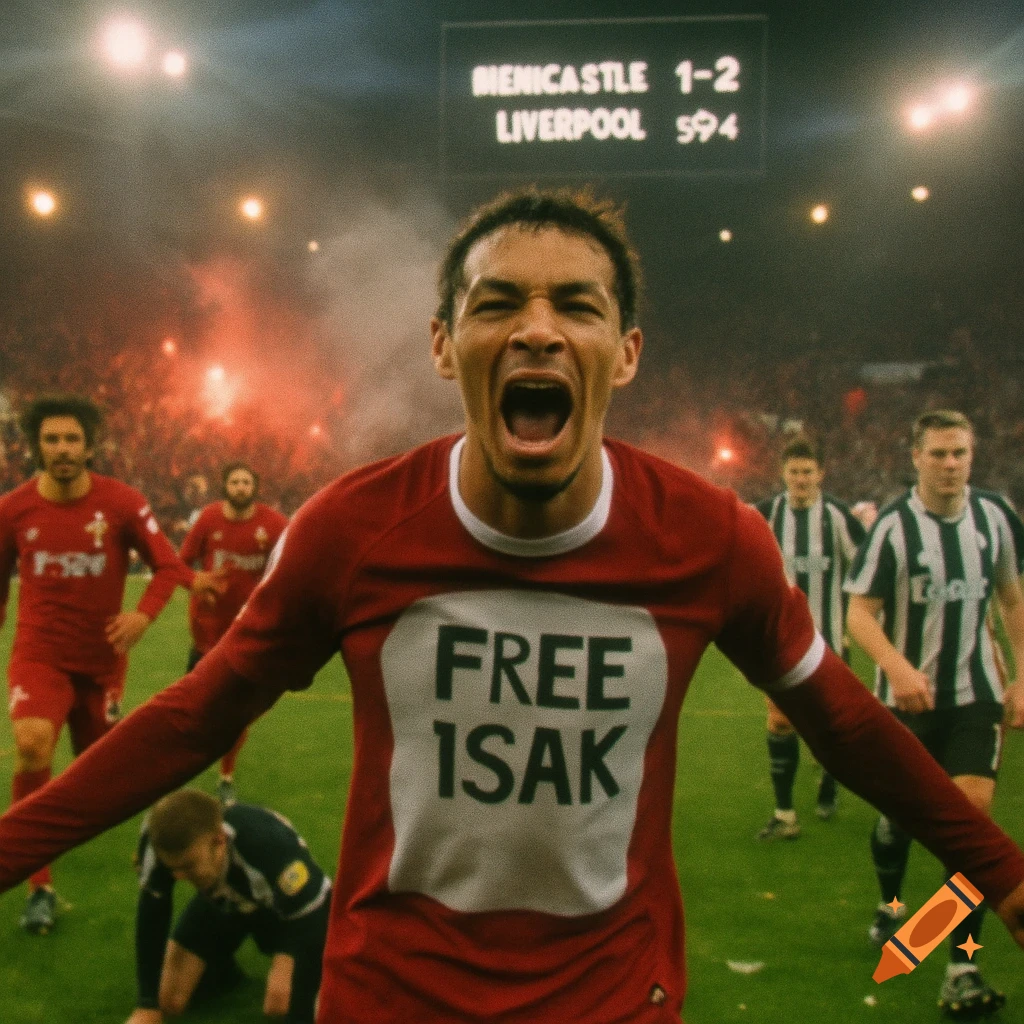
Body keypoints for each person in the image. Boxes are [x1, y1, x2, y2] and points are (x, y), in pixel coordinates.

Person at [1, 192, 1024, 1024]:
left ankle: (935, 939)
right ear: (446, 346)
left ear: (623, 352)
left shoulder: (709, 539)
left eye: (575, 305)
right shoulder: (349, 531)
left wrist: (997, 868)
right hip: (388, 999)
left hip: (612, 1000)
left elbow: (842, 718)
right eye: (498, 304)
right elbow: (192, 716)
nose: (537, 328)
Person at [0, 395, 224, 935]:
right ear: (35, 446)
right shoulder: (12, 510)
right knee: (32, 744)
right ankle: (39, 887)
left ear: (90, 445)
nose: (62, 449)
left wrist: (143, 617)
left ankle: (159, 839)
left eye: (72, 439)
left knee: (105, 778)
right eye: (51, 439)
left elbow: (168, 567)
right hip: (39, 657)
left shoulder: (121, 503)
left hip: (102, 665)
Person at [846, 409, 1024, 1019]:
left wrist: (1023, 674)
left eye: (960, 453)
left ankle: (960, 964)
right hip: (907, 705)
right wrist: (895, 665)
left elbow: (1011, 597)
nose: (951, 465)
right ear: (915, 457)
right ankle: (891, 908)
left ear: (972, 456)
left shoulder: (995, 517)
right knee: (900, 824)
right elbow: (859, 614)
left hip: (975, 698)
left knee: (971, 826)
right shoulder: (893, 528)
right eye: (939, 454)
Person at [127, 789, 330, 1024]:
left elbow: (312, 919)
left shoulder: (266, 846)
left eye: (188, 866)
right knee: (169, 1000)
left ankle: (330, 981)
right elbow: (153, 913)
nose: (179, 876)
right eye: (172, 868)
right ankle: (224, 975)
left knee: (280, 1002)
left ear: (219, 841)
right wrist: (147, 1005)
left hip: (291, 915)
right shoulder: (157, 840)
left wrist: (300, 1007)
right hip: (224, 901)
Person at [754, 437, 865, 839]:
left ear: (821, 474)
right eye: (794, 472)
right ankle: (785, 815)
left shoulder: (837, 517)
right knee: (781, 721)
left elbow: (864, 575)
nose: (800, 479)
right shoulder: (764, 515)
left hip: (830, 642)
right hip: (779, 643)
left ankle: (829, 780)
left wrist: (856, 626)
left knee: (830, 728)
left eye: (808, 472)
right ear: (783, 474)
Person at [178, 463, 288, 804]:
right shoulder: (209, 519)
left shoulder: (273, 524)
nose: (240, 487)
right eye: (234, 481)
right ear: (224, 485)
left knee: (237, 709)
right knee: (196, 705)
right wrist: (196, 585)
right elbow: (181, 564)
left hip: (248, 633)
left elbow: (290, 564)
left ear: (255, 487)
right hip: (206, 630)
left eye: (246, 482)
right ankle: (184, 764)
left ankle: (226, 774)